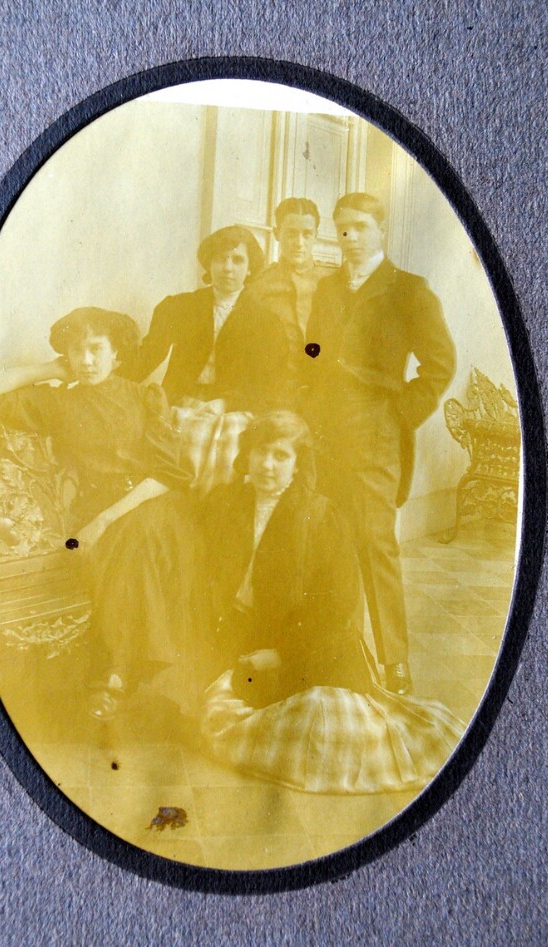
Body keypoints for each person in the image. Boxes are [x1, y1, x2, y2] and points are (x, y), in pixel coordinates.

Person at [199, 412, 462, 794]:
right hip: (244, 628)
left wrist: (280, 654)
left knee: (326, 716)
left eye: (280, 455)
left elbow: (336, 609)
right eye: (260, 452)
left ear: (298, 464)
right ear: (247, 455)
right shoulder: (227, 503)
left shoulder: (321, 515)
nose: (267, 465)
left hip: (302, 641)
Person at [0, 306, 200, 720]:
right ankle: (136, 674)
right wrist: (50, 369)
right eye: (77, 351)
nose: (87, 360)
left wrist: (104, 521)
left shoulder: (144, 396)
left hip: (150, 501)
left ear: (117, 354)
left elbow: (168, 474)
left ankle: (115, 674)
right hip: (95, 505)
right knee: (126, 544)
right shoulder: (58, 403)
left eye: (96, 349)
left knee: (137, 536)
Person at [305, 193, 456, 696]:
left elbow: (439, 365)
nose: (350, 237)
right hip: (325, 430)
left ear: (381, 231)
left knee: (375, 541)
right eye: (342, 228)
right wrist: (309, 391)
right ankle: (339, 649)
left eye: (361, 227)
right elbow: (311, 349)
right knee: (330, 536)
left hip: (375, 430)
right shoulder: (327, 288)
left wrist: (398, 414)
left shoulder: (409, 290)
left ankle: (394, 660)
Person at [117, 225, 290, 413]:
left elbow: (266, 385)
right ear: (209, 264)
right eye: (220, 259)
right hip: (180, 402)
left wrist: (227, 403)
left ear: (250, 268)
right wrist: (108, 382)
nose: (228, 268)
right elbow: (147, 357)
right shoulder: (181, 307)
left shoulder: (266, 323)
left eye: (237, 260)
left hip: (231, 409)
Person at [245, 197, 331, 390]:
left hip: (323, 391)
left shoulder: (333, 283)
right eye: (291, 233)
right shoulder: (258, 285)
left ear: (316, 235)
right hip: (275, 391)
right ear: (277, 233)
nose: (299, 243)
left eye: (307, 234)